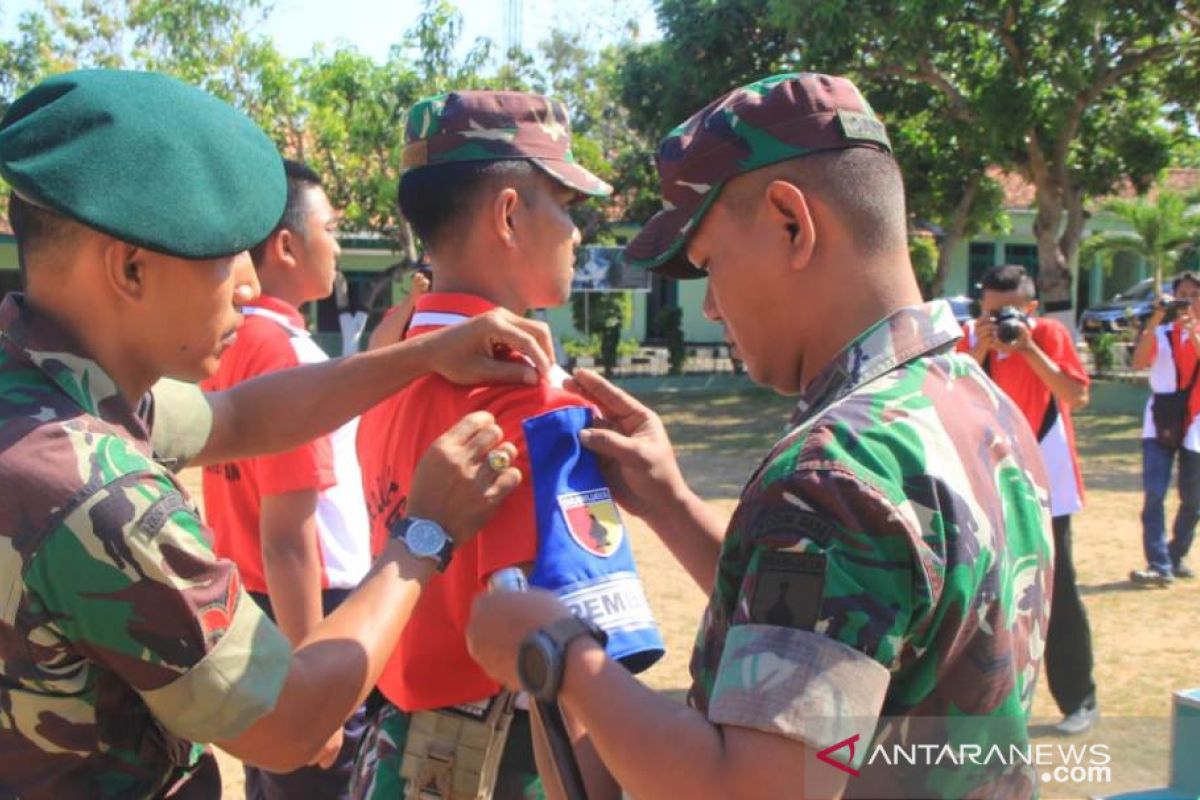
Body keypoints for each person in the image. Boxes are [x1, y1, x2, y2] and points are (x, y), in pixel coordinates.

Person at [465, 72, 1054, 799]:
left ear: (790, 223)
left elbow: (749, 789)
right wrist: (674, 505)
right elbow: (849, 636)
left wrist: (559, 651)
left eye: (710, 264)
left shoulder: (839, 468)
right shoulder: (976, 403)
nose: (710, 306)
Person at [0, 68, 558, 799]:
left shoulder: (38, 387)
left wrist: (421, 353)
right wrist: (424, 535)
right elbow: (288, 723)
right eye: (222, 255)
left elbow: (241, 418)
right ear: (131, 268)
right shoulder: (100, 495)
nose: (247, 283)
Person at [353, 89, 663, 800]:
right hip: (506, 767)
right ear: (510, 213)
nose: (577, 234)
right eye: (567, 206)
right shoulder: (536, 400)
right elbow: (568, 667)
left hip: (398, 748)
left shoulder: (384, 364)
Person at [200, 159, 373, 798]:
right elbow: (289, 536)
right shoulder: (287, 355)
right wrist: (311, 694)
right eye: (331, 227)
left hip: (248, 603)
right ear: (286, 245)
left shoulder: (225, 341)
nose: (337, 244)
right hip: (309, 609)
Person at [959, 263, 1097, 736]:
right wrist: (979, 346)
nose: (1003, 321)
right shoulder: (970, 341)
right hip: (990, 479)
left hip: (1049, 482)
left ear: (1032, 308)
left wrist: (1029, 347)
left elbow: (1075, 395)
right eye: (994, 311)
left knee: (1057, 592)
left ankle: (1080, 697)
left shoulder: (1050, 334)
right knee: (990, 594)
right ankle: (992, 706)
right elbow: (953, 393)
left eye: (1013, 311)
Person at [1130, 270, 1200, 586]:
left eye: (1195, 296)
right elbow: (1138, 362)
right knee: (1154, 493)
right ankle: (1158, 564)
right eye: (1183, 296)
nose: (1189, 302)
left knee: (1194, 498)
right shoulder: (1160, 333)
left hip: (1197, 421)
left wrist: (1193, 333)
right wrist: (1156, 317)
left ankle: (1174, 555)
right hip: (1160, 418)